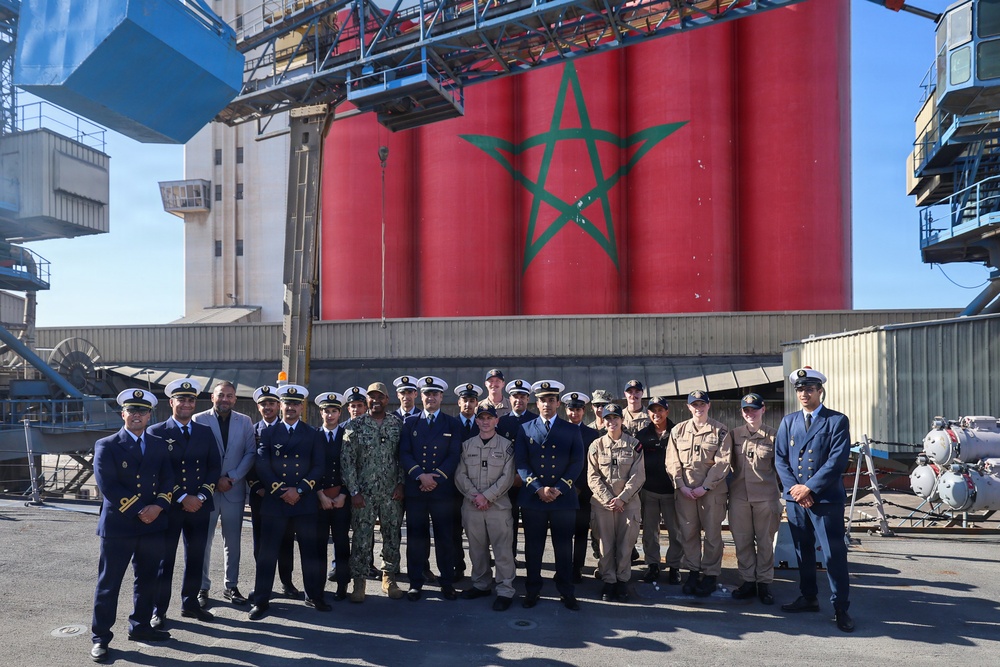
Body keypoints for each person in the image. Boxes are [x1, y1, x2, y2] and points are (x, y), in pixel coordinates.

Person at [90, 389, 174, 663]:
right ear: (123, 414)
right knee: (109, 583)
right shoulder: (107, 444)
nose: (137, 415)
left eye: (142, 411)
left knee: (148, 580)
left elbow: (168, 479)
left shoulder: (159, 445)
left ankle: (140, 626)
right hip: (119, 525)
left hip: (152, 524)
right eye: (132, 410)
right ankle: (101, 638)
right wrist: (140, 510)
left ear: (150, 415)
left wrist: (158, 507)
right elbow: (108, 485)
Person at [776, 367, 855, 633]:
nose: (804, 394)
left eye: (809, 389)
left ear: (820, 391)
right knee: (803, 551)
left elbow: (837, 461)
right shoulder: (789, 422)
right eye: (800, 389)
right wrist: (795, 491)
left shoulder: (836, 421)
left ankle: (840, 607)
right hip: (796, 500)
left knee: (833, 554)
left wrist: (809, 489)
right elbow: (781, 459)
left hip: (825, 499)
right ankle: (808, 596)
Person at [248, 384, 329, 619]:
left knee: (309, 552)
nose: (291, 408)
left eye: (295, 404)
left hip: (304, 502)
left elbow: (318, 466)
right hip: (276, 501)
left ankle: (314, 595)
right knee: (267, 554)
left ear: (301, 407)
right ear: (280, 405)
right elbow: (262, 464)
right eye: (287, 403)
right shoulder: (269, 433)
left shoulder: (312, 433)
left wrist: (300, 489)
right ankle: (262, 600)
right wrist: (281, 490)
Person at [148, 379, 220, 629]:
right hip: (169, 506)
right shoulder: (157, 431)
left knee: (196, 557)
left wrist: (201, 497)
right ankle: (158, 610)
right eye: (181, 399)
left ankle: (190, 604)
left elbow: (214, 467)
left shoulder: (204, 432)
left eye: (191, 400)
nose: (187, 404)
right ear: (171, 402)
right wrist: (181, 497)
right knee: (164, 560)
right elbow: (157, 471)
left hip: (199, 505)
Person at [515, 380, 585, 610]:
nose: (547, 404)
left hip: (562, 498)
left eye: (551, 400)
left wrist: (560, 488)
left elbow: (577, 462)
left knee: (563, 548)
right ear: (537, 403)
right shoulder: (526, 428)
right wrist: (538, 488)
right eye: (543, 400)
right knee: (533, 548)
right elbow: (521, 462)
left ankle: (566, 591)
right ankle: (532, 590)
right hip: (534, 498)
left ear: (558, 404)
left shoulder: (571, 429)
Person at [192, 381, 256, 608]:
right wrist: (213, 481)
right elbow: (195, 456)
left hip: (233, 489)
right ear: (212, 397)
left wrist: (232, 477)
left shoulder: (245, 421)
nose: (225, 399)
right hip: (206, 492)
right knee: (203, 541)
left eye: (229, 396)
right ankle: (202, 587)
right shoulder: (198, 419)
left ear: (235, 399)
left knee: (233, 542)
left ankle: (231, 585)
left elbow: (250, 453)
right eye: (221, 395)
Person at [399, 375, 463, 601]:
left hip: (442, 490)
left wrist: (436, 478)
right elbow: (404, 453)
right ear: (421, 396)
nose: (431, 398)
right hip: (416, 489)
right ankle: (415, 582)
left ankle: (447, 582)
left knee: (445, 538)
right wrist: (420, 475)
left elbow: (454, 455)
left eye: (435, 394)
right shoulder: (410, 423)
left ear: (441, 397)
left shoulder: (452, 423)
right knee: (416, 538)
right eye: (427, 394)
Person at [341, 381, 405, 602]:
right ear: (367, 400)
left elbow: (402, 457)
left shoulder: (397, 424)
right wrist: (354, 491)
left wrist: (401, 484)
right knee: (361, 537)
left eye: (380, 397)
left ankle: (389, 577)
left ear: (387, 400)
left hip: (391, 493)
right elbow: (347, 462)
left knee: (392, 535)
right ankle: (359, 582)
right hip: (364, 494)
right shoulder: (355, 426)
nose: (376, 400)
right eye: (372, 397)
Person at [665, 390, 732, 598]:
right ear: (689, 407)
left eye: (702, 404)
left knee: (712, 534)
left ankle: (710, 574)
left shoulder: (721, 431)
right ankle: (693, 571)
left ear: (708, 405)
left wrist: (706, 487)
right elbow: (672, 460)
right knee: (688, 533)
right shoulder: (678, 430)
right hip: (685, 492)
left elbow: (723, 462)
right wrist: (680, 485)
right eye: (695, 405)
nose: (699, 408)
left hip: (711, 492)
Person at [454, 406, 517, 611]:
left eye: (490, 418)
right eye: (482, 418)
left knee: (502, 550)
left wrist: (487, 496)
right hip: (473, 506)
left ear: (496, 421)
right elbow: (460, 475)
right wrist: (476, 497)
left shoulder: (507, 446)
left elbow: (508, 476)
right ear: (477, 421)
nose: (485, 421)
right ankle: (481, 584)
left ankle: (505, 590)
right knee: (477, 549)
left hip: (498, 507)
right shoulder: (467, 446)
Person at [588, 404, 645, 603]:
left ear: (622, 420)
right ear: (603, 421)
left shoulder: (634, 445)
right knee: (605, 545)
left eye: (615, 418)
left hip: (628, 504)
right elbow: (592, 476)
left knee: (625, 545)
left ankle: (622, 581)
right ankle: (609, 581)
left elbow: (638, 475)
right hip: (602, 504)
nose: (612, 422)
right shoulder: (596, 445)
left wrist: (622, 498)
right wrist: (608, 499)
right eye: (608, 418)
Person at [729, 392, 782, 605]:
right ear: (742, 412)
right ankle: (748, 580)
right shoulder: (734, 434)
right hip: (739, 496)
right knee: (742, 540)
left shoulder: (774, 436)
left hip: (766, 497)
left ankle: (764, 583)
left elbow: (781, 468)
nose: (750, 413)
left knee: (765, 542)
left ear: (763, 410)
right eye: (746, 410)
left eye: (754, 409)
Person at [247, 385, 298, 598]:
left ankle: (287, 582)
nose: (267, 407)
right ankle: (262, 585)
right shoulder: (251, 431)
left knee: (286, 542)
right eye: (263, 404)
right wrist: (257, 487)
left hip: (286, 496)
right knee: (261, 543)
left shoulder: (290, 428)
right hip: (261, 495)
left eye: (271, 403)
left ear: (279, 406)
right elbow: (249, 461)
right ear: (258, 407)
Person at [635, 396, 682, 585]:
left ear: (667, 412)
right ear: (648, 413)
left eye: (660, 410)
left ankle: (674, 566)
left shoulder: (677, 432)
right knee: (649, 532)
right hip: (649, 491)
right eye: (653, 410)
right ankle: (653, 565)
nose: (657, 414)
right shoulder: (642, 435)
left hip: (672, 491)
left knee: (675, 532)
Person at [314, 391, 351, 601]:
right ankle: (318, 586)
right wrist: (320, 495)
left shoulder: (347, 436)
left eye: (334, 411)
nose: (330, 415)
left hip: (341, 499)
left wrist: (344, 494)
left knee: (342, 543)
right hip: (319, 499)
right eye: (326, 411)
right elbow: (310, 467)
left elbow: (353, 466)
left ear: (340, 413)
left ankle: (343, 584)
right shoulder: (314, 435)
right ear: (321, 413)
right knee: (319, 544)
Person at [560, 391, 600, 582]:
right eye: (571, 409)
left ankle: (577, 568)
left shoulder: (592, 434)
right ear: (566, 410)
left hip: (584, 491)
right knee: (563, 533)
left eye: (578, 409)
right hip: (563, 490)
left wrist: (581, 486)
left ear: (584, 411)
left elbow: (592, 464)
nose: (574, 413)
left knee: (581, 532)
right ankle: (563, 568)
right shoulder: (559, 431)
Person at [453, 382, 483, 580]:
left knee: (479, 532)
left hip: (479, 486)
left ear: (477, 403)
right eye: (465, 400)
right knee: (454, 530)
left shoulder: (483, 424)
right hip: (454, 486)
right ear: (458, 402)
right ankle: (458, 566)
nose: (468, 404)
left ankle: (481, 570)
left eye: (472, 400)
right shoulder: (450, 424)